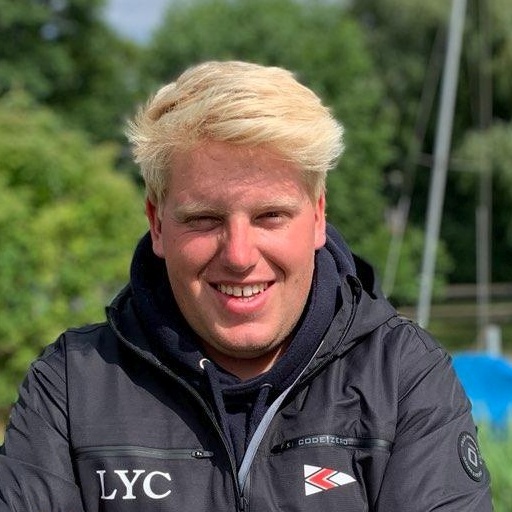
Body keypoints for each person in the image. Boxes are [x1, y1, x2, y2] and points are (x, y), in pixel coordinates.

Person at [0, 60, 492, 511]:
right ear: (157, 223)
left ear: (318, 216)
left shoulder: (403, 376)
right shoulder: (70, 385)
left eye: (270, 216)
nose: (238, 256)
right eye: (204, 219)